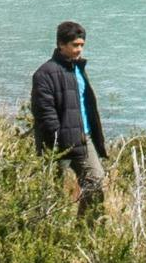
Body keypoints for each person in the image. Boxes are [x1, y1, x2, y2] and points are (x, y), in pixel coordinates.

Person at [28, 22, 107, 211]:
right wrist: (57, 142)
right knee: (52, 194)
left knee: (95, 182)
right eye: (75, 45)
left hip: (83, 137)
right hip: (57, 143)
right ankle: (48, 234)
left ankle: (85, 230)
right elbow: (45, 114)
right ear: (61, 44)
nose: (79, 49)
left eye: (82, 45)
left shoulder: (78, 69)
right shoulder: (44, 74)